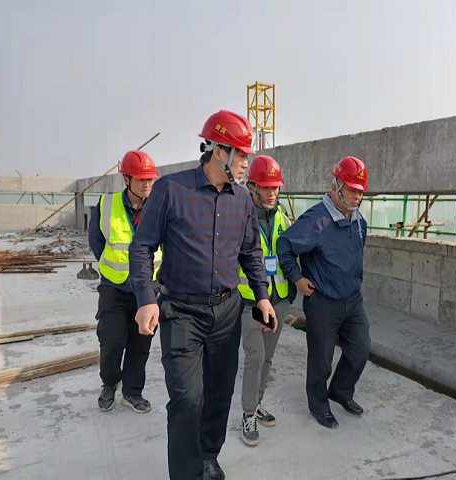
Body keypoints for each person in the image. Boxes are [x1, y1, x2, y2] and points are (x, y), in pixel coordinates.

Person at [129, 110, 276, 480]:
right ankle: (185, 473)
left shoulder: (242, 200)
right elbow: (142, 247)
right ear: (218, 151)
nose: (246, 163)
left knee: (219, 393)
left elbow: (251, 252)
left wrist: (261, 296)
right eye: (241, 155)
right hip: (181, 312)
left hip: (227, 312)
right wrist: (146, 298)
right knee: (186, 399)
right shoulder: (171, 190)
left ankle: (208, 456)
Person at [277, 156, 371, 429]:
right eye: (352, 190)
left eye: (360, 191)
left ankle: (340, 391)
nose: (357, 196)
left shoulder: (359, 222)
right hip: (323, 303)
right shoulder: (316, 220)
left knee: (360, 349)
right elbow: (284, 245)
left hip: (353, 300)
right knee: (321, 360)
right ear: (336, 187)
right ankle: (318, 405)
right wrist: (297, 278)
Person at [88, 150, 162, 413]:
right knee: (112, 340)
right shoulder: (107, 205)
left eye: (150, 179)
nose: (147, 184)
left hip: (147, 290)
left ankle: (132, 392)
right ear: (127, 179)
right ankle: (109, 383)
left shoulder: (159, 207)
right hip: (114, 287)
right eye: (141, 179)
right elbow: (96, 241)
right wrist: (113, 267)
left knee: (140, 343)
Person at [238, 155, 296, 446]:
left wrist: (291, 292)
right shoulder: (240, 217)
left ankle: (258, 401)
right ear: (252, 186)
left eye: (275, 187)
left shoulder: (283, 218)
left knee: (268, 357)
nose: (272, 193)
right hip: (252, 301)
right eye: (266, 187)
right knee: (256, 356)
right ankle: (248, 412)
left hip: (279, 300)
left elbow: (290, 255)